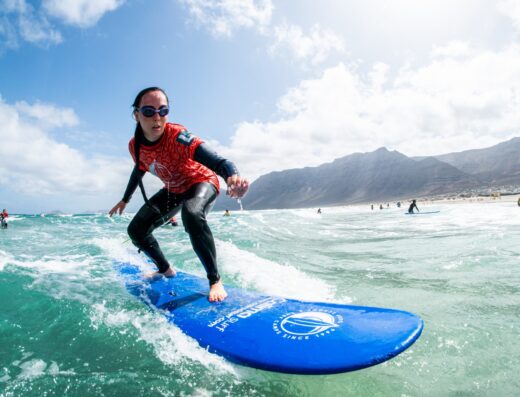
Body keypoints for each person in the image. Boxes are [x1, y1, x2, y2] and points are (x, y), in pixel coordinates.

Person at [109, 87, 249, 302]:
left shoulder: (178, 136)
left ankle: (214, 280)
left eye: (163, 111)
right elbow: (139, 169)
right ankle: (165, 269)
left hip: (201, 182)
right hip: (173, 189)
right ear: (136, 115)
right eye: (149, 111)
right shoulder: (134, 145)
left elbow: (220, 162)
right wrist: (125, 199)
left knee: (192, 214)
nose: (157, 118)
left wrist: (232, 176)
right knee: (136, 230)